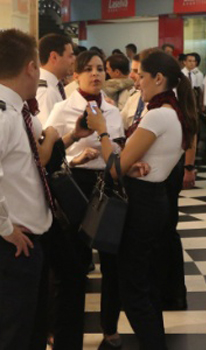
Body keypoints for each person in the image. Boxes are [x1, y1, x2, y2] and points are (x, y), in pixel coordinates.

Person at [86, 50, 197, 349]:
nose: (137, 83)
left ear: (158, 78)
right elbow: (132, 162)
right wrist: (128, 164)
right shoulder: (172, 111)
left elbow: (115, 169)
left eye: (142, 76)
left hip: (141, 206)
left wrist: (102, 134)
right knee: (145, 287)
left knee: (134, 290)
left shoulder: (159, 114)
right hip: (153, 200)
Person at [45, 50, 126, 349]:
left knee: (112, 261)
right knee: (72, 264)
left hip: (106, 184)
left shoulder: (113, 111)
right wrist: (75, 156)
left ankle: (110, 327)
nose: (96, 74)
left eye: (100, 69)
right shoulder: (64, 109)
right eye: (88, 69)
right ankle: (62, 330)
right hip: (74, 183)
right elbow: (50, 154)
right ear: (76, 74)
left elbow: (118, 150)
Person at [0, 28, 54, 350]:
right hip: (14, 246)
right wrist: (4, 228)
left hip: (29, 241)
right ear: (31, 67)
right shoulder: (4, 115)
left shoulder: (18, 110)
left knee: (30, 330)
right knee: (14, 334)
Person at [36, 33, 75, 124]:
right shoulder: (45, 92)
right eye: (70, 56)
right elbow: (47, 133)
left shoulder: (54, 86)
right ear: (54, 57)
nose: (73, 60)